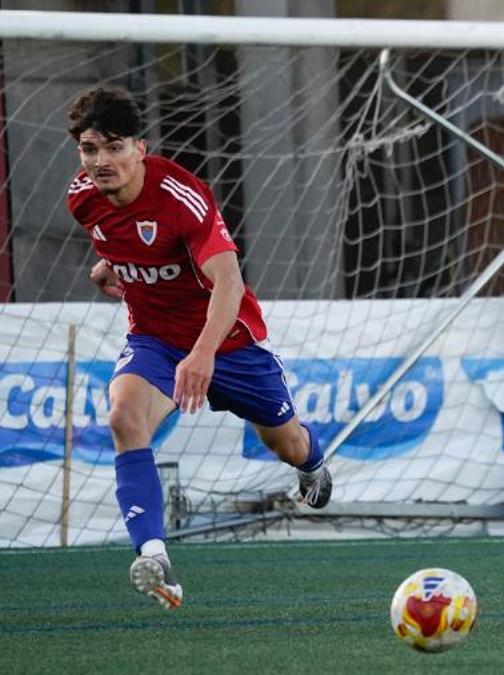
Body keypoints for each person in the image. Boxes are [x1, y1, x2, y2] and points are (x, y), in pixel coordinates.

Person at [65, 86, 332, 610]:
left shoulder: (180, 196)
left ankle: (313, 463)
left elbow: (229, 281)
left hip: (230, 343)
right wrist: (110, 268)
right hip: (156, 340)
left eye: (114, 148)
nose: (101, 162)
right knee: (124, 417)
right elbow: (125, 246)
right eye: (89, 149)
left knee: (287, 444)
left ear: (140, 148)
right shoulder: (81, 197)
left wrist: (204, 354)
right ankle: (154, 556)